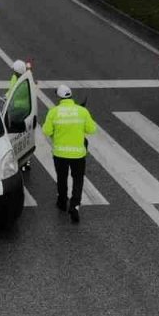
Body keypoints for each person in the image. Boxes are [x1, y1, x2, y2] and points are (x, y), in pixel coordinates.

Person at [42, 85, 96, 223]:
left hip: (60, 154)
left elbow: (46, 131)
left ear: (59, 98)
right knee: (78, 180)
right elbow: (92, 129)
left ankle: (61, 202)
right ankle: (75, 206)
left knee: (62, 178)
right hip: (78, 155)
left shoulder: (54, 112)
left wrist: (57, 134)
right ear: (70, 96)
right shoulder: (82, 111)